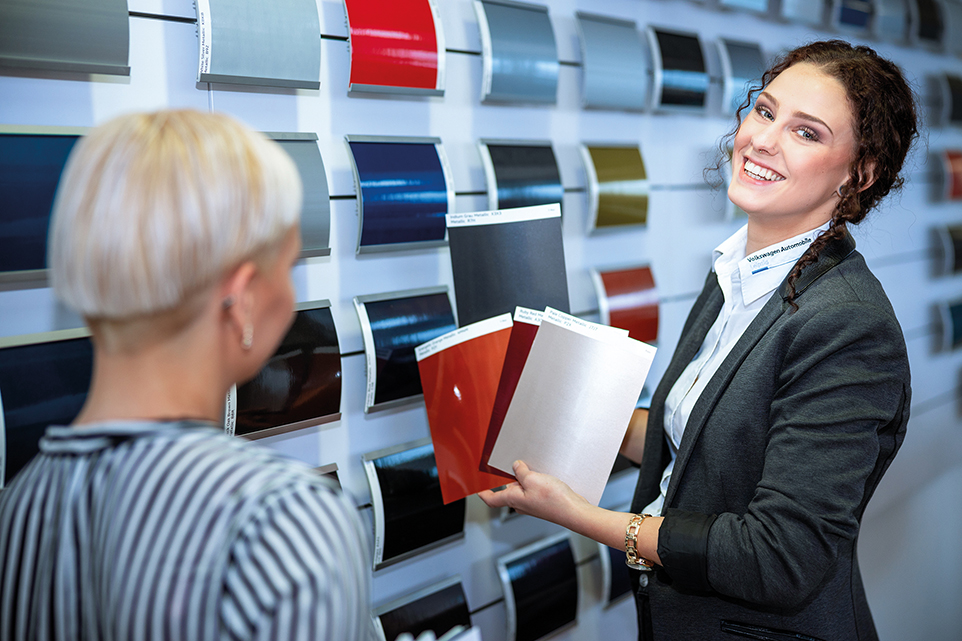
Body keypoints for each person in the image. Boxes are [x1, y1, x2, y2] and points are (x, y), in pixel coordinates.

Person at [480, 40, 918, 640]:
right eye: (764, 111)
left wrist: (586, 517)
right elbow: (700, 441)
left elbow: (779, 556)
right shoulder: (734, 273)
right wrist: (539, 407)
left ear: (859, 173)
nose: (763, 140)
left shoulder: (846, 323)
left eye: (807, 133)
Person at [0, 110, 375, 640]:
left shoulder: (16, 512)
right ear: (241, 298)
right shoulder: (281, 525)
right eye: (289, 267)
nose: (293, 300)